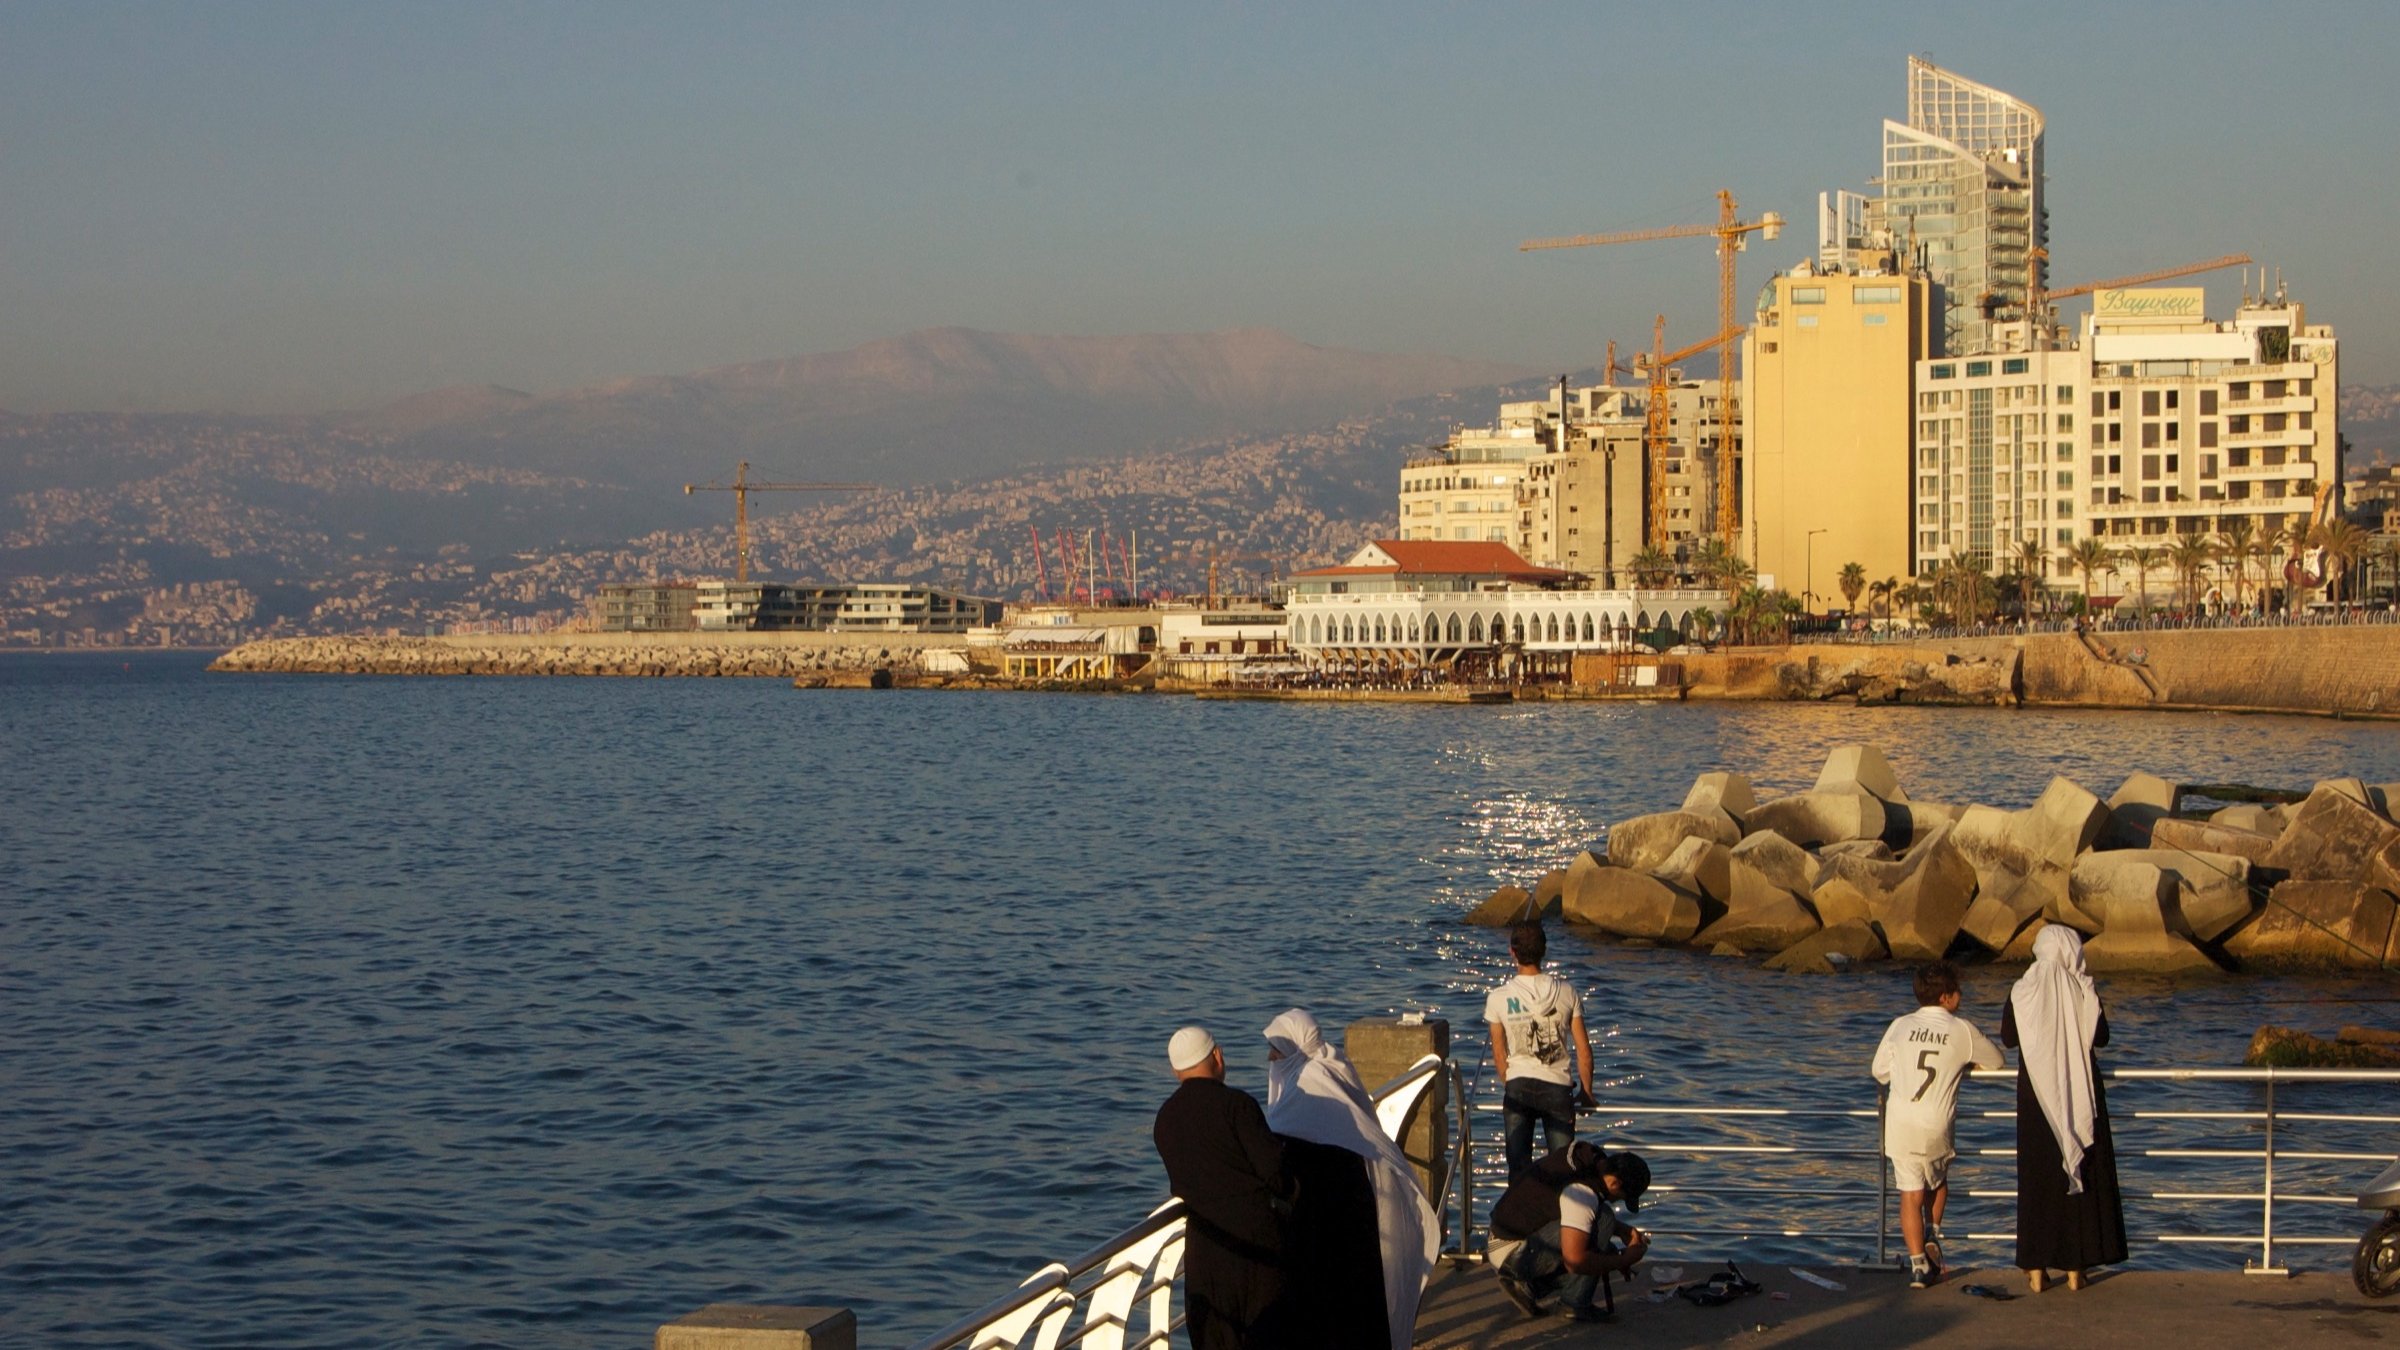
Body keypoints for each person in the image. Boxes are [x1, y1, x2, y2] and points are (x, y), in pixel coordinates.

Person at [1260, 1009, 1438, 1350]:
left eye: (1277, 1050)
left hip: (1325, 1214)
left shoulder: (1308, 1087)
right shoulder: (1336, 1069)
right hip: (1356, 1205)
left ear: (1297, 1049)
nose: (1271, 1058)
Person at [1153, 1026, 1294, 1349]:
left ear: (1176, 1070)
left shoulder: (1166, 1117)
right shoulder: (1237, 1106)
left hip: (1205, 1246)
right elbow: (1276, 1172)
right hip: (1257, 1246)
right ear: (1217, 1056)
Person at [2003, 926, 2127, 1293]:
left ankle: (2036, 1267)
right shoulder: (2082, 989)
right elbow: (2100, 1037)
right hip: (2080, 1090)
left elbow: (2009, 1038)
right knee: (2081, 1179)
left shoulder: (2022, 989)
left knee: (2038, 1179)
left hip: (2035, 1096)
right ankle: (2075, 1268)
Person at [1872, 960, 2004, 1288]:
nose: (1962, 994)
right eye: (1958, 990)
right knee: (1939, 1182)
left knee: (1909, 1195)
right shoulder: (1961, 1029)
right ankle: (1933, 1233)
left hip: (1900, 1123)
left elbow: (1879, 1071)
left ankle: (1919, 1266)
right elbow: (1997, 1061)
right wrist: (1966, 1063)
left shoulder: (1900, 1025)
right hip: (1936, 1123)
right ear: (1946, 998)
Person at [1485, 1139, 1649, 1323]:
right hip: (1513, 1252)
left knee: (1602, 1236)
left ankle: (1528, 1287)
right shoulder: (1582, 1192)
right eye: (1622, 1197)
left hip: (1503, 1241)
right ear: (1615, 1184)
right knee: (1604, 1220)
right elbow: (1575, 1261)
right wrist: (1624, 1259)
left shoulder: (1587, 1159)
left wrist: (1622, 1232)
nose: (1617, 1201)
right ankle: (1574, 1304)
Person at [1484, 922, 1596, 1182]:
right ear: (1544, 951)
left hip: (1518, 1087)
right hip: (1558, 1088)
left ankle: (1519, 1218)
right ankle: (1561, 1219)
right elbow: (1584, 1051)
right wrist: (1587, 1093)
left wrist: (1509, 1082)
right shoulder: (1567, 992)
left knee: (1518, 1168)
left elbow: (1499, 1055)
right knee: (1564, 1167)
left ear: (1512, 952)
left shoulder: (1498, 998)